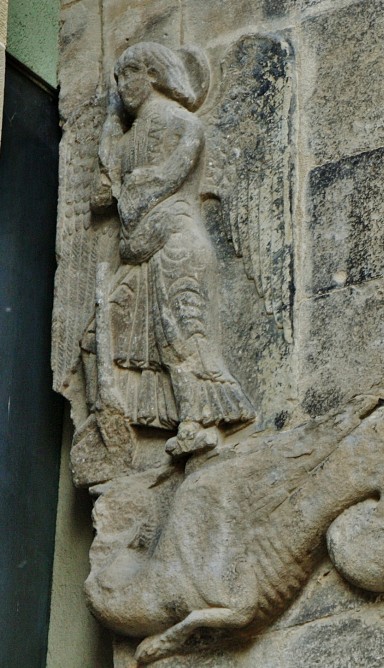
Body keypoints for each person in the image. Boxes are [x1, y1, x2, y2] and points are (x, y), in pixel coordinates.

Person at [82, 42, 255, 457]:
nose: (122, 85)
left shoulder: (182, 123)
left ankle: (197, 422)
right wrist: (110, 133)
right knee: (95, 339)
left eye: (129, 74)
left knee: (180, 337)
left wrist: (133, 186)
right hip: (139, 252)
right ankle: (114, 428)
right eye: (117, 78)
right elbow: (102, 198)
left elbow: (156, 186)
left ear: (154, 75)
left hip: (175, 245)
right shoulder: (125, 138)